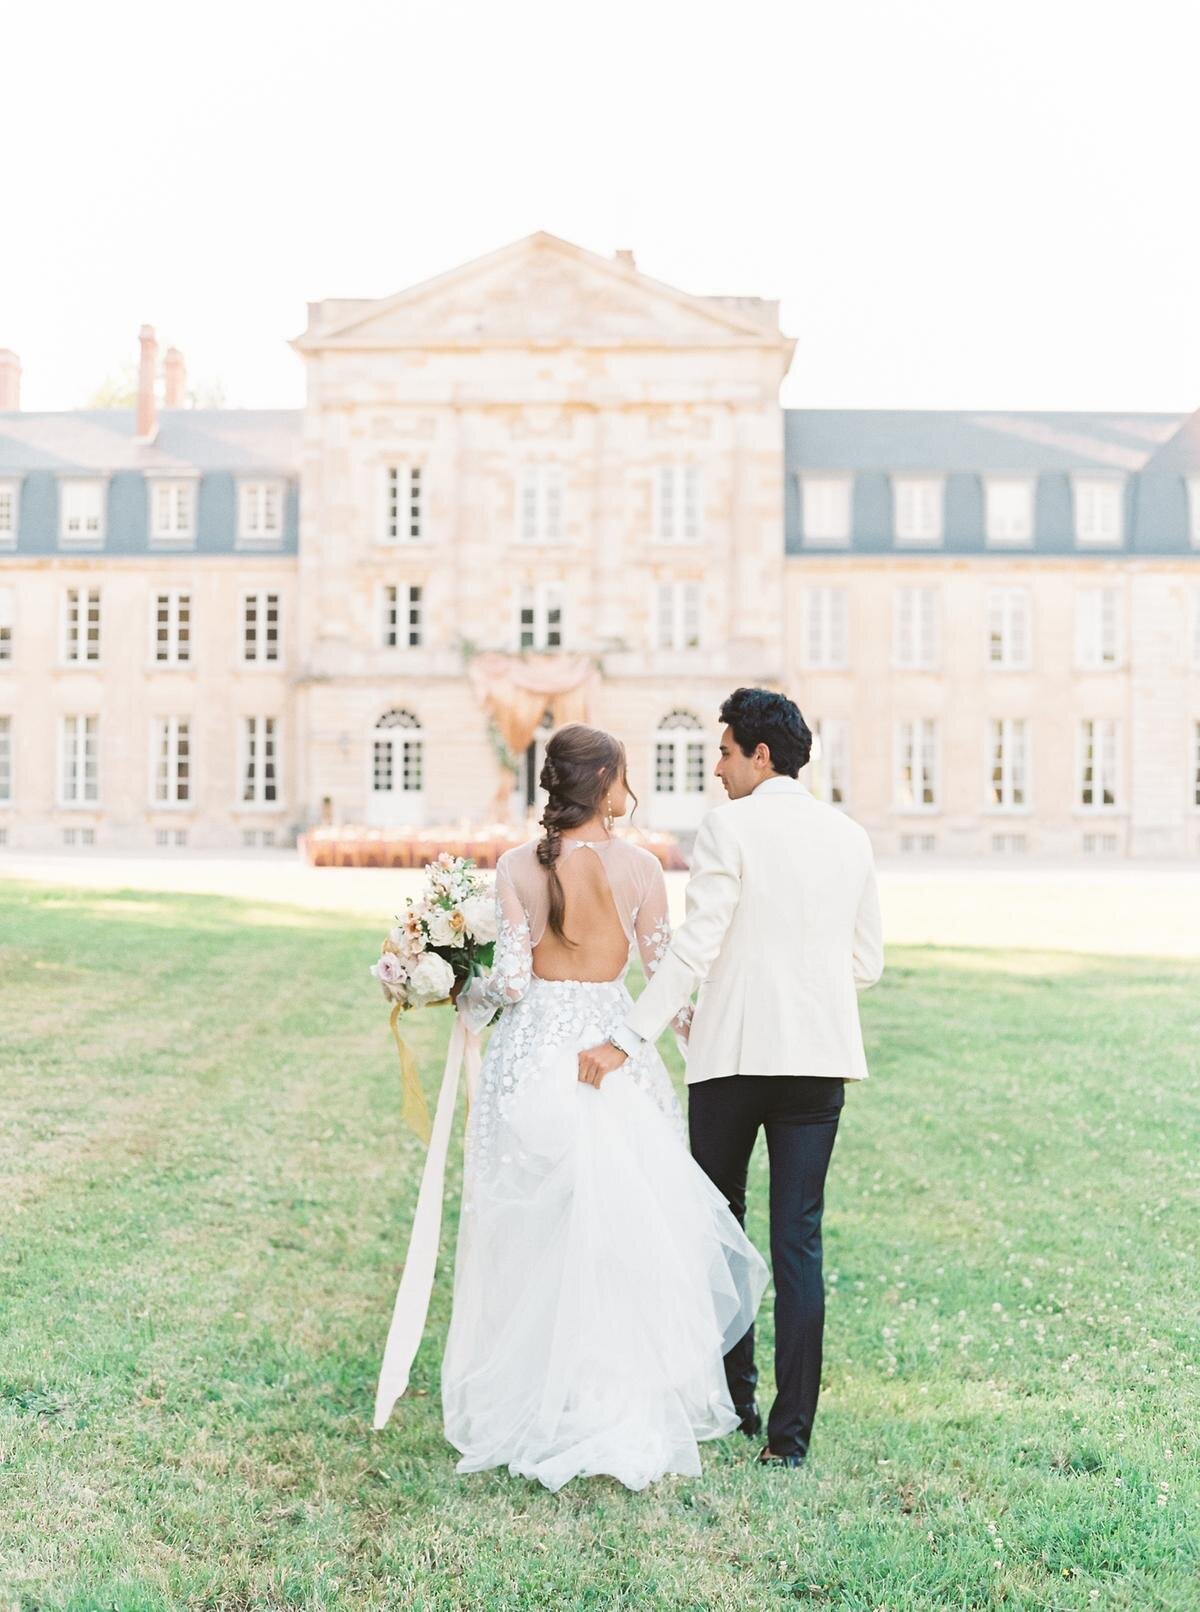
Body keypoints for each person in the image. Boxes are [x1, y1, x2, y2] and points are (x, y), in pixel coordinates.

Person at [442, 722, 768, 1493]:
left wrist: (464, 992)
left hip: (536, 1056)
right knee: (626, 1227)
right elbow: (665, 976)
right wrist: (706, 1043)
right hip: (614, 1054)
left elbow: (513, 982)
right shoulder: (642, 868)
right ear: (602, 787)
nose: (633, 789)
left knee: (537, 1228)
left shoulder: (518, 866)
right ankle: (615, 1394)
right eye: (625, 775)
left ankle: (543, 1398)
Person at [579, 688, 883, 1468]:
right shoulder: (849, 836)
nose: (713, 768)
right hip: (818, 1062)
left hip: (733, 1060)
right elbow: (867, 963)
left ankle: (736, 1401)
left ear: (761, 755)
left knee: (721, 1232)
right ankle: (790, 1440)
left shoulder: (729, 827)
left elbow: (695, 948)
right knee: (798, 1244)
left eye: (722, 752)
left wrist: (628, 1037)